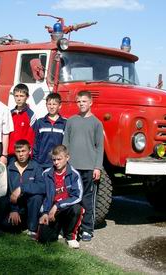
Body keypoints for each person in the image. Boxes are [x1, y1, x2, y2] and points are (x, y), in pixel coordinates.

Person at [63, 91, 104, 242]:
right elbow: (65, 143)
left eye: (84, 101)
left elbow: (100, 147)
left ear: (91, 102)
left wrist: (97, 167)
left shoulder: (96, 123)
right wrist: (64, 163)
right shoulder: (71, 121)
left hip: (89, 167)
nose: (81, 104)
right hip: (72, 167)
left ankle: (87, 229)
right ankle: (68, 227)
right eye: (79, 101)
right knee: (70, 198)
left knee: (87, 200)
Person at [37, 145, 83, 249]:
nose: (56, 162)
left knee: (77, 208)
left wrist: (58, 205)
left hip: (66, 209)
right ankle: (59, 229)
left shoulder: (74, 174)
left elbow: (77, 196)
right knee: (44, 239)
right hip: (52, 212)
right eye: (54, 160)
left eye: (59, 159)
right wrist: (44, 213)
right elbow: (43, 197)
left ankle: (70, 236)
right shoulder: (46, 174)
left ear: (67, 158)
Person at [5, 139, 45, 238]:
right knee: (8, 228)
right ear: (15, 152)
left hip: (31, 208)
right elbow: (6, 191)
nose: (21, 154)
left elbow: (42, 187)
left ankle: (32, 229)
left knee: (37, 196)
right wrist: (13, 209)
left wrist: (21, 188)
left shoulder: (36, 167)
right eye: (18, 152)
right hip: (15, 207)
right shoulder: (9, 169)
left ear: (29, 151)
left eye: (23, 151)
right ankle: (20, 224)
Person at [33, 93, 66, 169]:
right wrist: (35, 160)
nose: (51, 107)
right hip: (41, 163)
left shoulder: (64, 123)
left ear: (60, 105)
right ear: (46, 105)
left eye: (54, 104)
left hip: (58, 163)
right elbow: (35, 143)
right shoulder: (40, 122)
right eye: (49, 104)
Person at [7, 84, 36, 160]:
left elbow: (31, 137)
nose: (19, 99)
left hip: (23, 154)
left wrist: (28, 153)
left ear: (27, 97)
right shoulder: (10, 113)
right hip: (10, 153)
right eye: (16, 96)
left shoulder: (31, 115)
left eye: (21, 96)